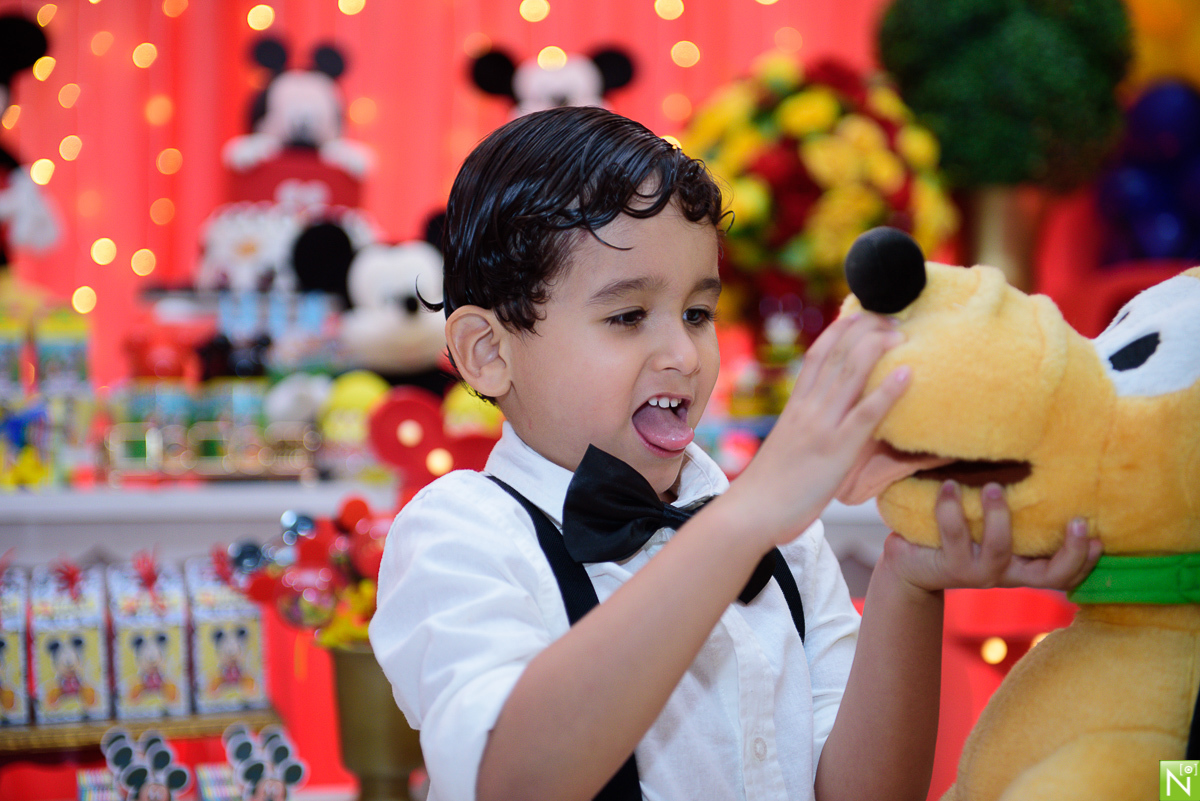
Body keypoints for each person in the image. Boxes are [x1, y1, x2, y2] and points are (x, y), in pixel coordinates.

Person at [367, 106, 1101, 801]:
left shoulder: (780, 537)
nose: (684, 354)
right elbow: (517, 779)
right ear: (488, 352)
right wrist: (742, 521)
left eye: (697, 312)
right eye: (628, 316)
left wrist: (909, 580)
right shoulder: (458, 533)